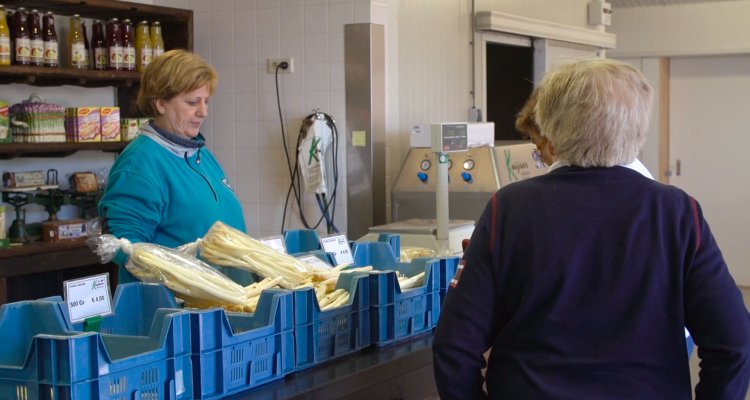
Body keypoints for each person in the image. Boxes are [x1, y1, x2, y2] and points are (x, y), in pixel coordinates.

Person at [433, 58, 750, 399]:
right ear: (638, 129)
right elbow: (734, 343)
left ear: (551, 130)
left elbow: (455, 346)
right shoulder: (676, 212)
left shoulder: (509, 209)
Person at [98, 49, 252, 285]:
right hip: (178, 309)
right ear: (161, 103)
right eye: (192, 102)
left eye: (206, 101)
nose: (204, 112)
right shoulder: (141, 162)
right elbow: (123, 246)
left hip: (225, 302)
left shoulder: (201, 155)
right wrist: (184, 270)